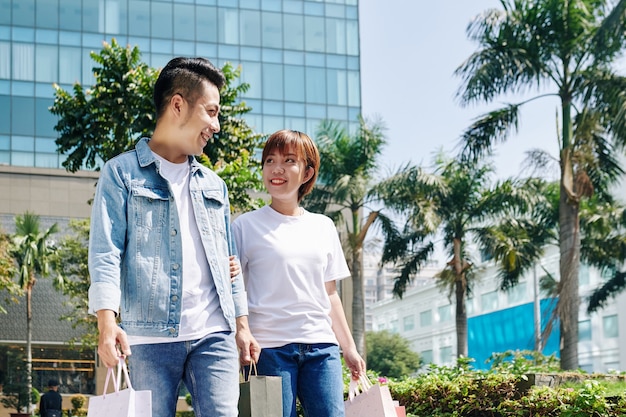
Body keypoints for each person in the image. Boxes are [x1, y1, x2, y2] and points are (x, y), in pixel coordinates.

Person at [87, 57, 259, 417]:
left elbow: (229, 264)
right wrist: (106, 323)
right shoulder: (121, 174)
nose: (216, 124)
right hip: (149, 338)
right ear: (178, 104)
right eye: (211, 112)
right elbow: (106, 253)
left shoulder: (214, 185)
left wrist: (241, 326)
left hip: (215, 332)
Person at [232, 129, 366, 417]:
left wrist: (349, 349)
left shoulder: (323, 226)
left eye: (289, 160)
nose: (276, 169)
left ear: (306, 173)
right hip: (269, 350)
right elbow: (232, 288)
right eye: (270, 160)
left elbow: (330, 295)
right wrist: (240, 332)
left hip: (322, 349)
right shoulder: (244, 226)